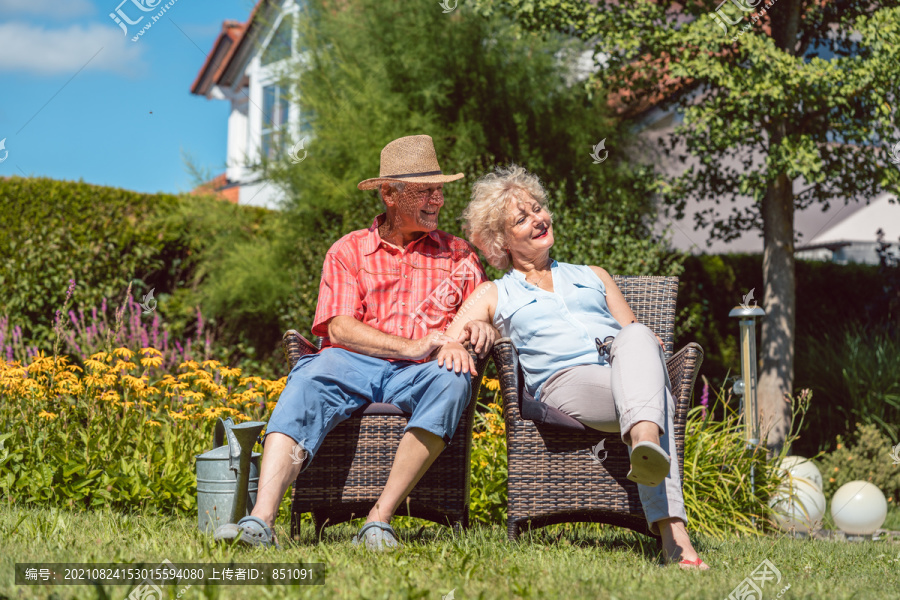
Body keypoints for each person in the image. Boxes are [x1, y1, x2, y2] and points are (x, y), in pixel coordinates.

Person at [213, 135, 497, 550]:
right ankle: (261, 520)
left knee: (453, 382)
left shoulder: (459, 255)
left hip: (423, 373)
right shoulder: (349, 250)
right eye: (425, 191)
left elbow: (484, 307)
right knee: (307, 379)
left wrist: (480, 329)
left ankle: (378, 520)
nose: (438, 200)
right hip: (352, 363)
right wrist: (409, 345)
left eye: (440, 190)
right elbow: (339, 328)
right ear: (388, 194)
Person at [440, 164, 708, 569]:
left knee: (636, 335)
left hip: (623, 373)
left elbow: (636, 335)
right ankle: (672, 528)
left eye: (539, 209)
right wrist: (480, 327)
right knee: (656, 398)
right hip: (567, 385)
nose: (538, 219)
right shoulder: (496, 292)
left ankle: (647, 447)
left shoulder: (594, 276)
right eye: (522, 218)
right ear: (501, 241)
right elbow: (448, 340)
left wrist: (640, 340)